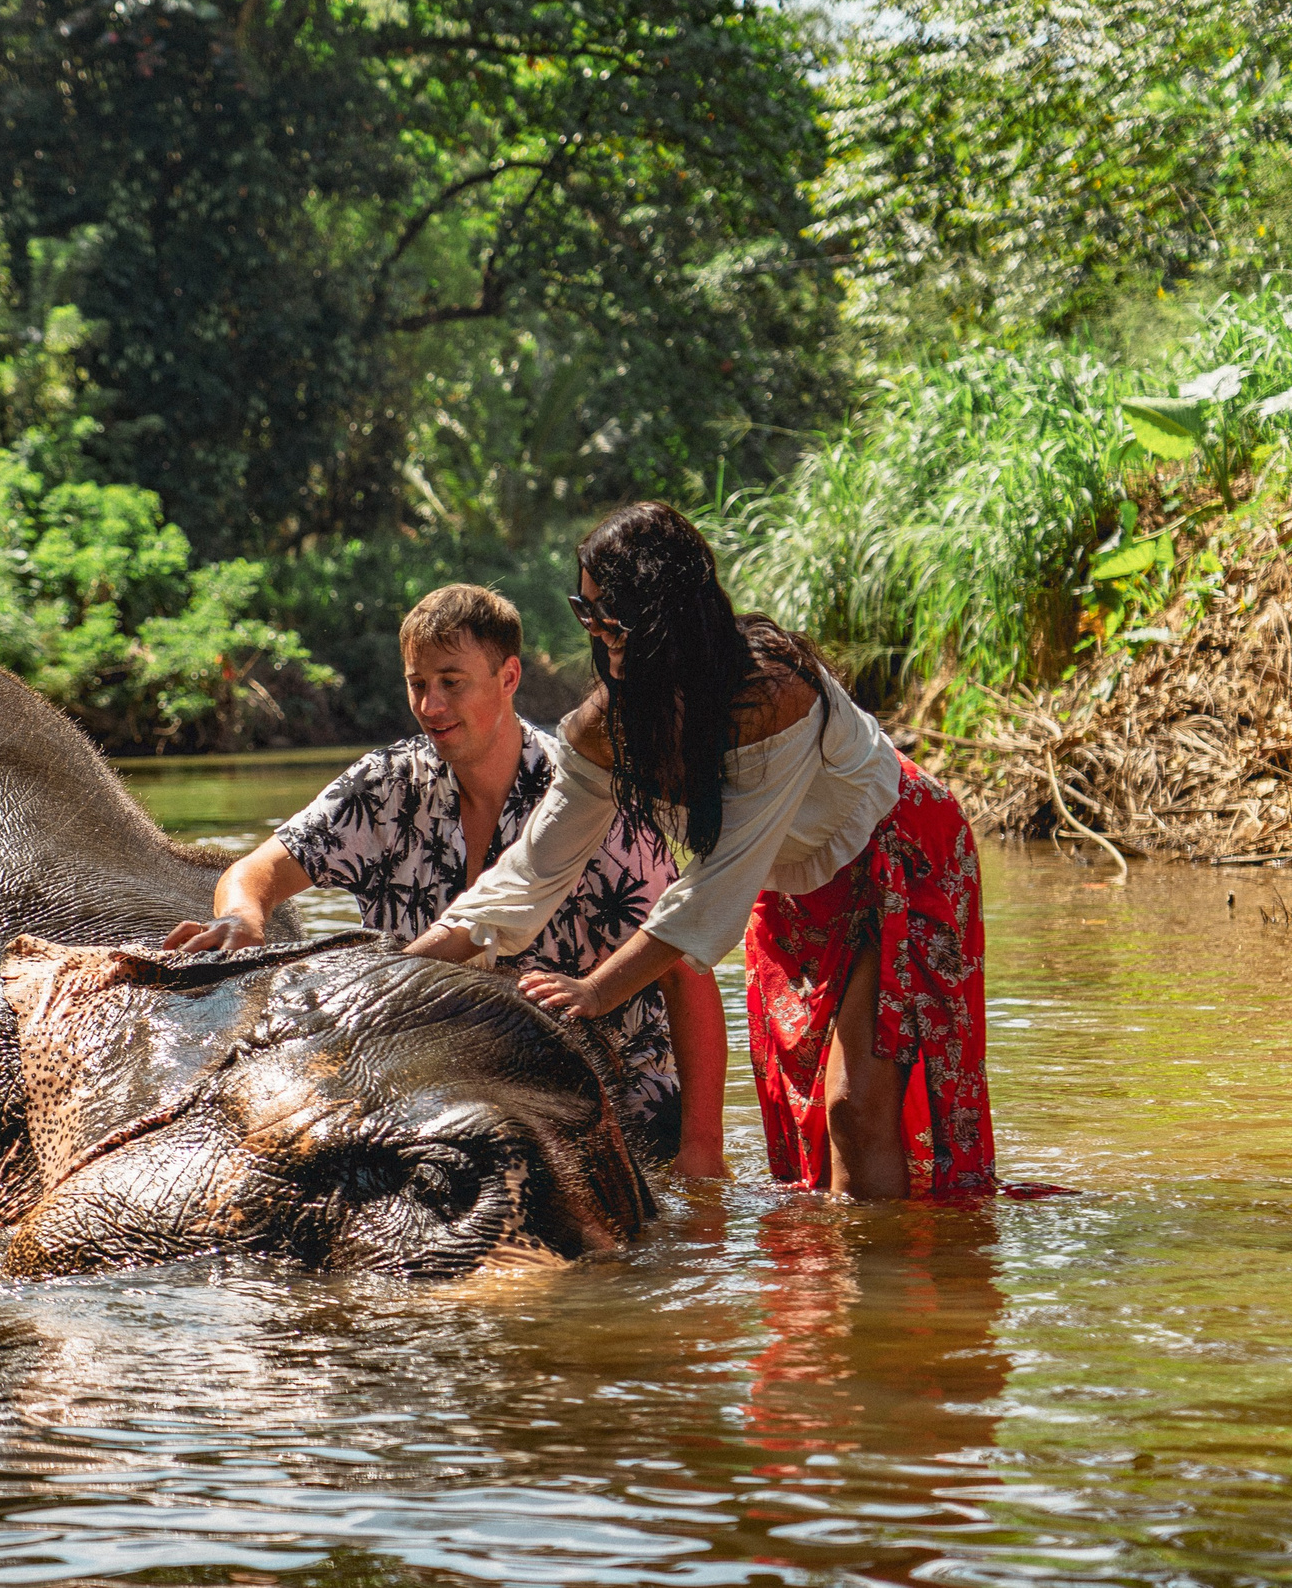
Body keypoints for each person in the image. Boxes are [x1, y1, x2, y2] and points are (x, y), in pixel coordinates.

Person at [403, 503, 995, 1200]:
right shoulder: (605, 728)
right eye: (584, 610)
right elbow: (532, 872)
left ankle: (899, 1302)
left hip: (896, 852)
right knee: (817, 1132)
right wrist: (396, 969)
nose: (596, 632)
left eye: (612, 615)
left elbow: (712, 888)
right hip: (795, 889)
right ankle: (842, 1296)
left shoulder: (771, 694)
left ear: (665, 612)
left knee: (853, 1106)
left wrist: (595, 990)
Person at [165, 584, 727, 1174]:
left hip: (609, 1099)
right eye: (417, 684)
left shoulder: (585, 792)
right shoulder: (387, 786)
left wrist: (703, 1148)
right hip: (440, 1091)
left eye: (451, 682)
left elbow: (686, 968)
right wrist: (242, 917)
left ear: (509, 678)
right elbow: (255, 872)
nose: (431, 705)